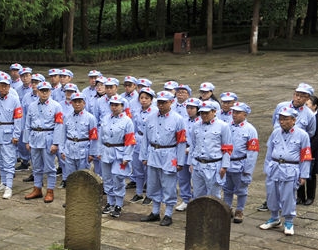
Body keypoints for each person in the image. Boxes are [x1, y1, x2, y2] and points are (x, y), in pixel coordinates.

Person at [259, 107, 312, 235]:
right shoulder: (276, 133)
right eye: (280, 119)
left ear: (294, 120)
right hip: (275, 167)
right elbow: (269, 152)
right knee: (272, 194)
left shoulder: (302, 135)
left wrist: (304, 175)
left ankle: (289, 221)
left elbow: (306, 156)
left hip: (290, 169)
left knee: (288, 196)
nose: (282, 122)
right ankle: (274, 218)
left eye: (286, 119)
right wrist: (267, 167)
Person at [139, 91, 188, 226]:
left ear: (171, 102)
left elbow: (181, 142)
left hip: (169, 153)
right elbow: (145, 139)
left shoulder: (178, 119)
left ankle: (168, 214)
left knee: (169, 185)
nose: (161, 105)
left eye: (164, 102)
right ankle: (155, 212)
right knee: (153, 184)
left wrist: (180, 160)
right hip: (153, 153)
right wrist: (144, 156)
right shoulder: (150, 117)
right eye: (159, 102)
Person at [24, 81, 64, 202]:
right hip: (35, 137)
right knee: (36, 166)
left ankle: (50, 190)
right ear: (38, 91)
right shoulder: (32, 106)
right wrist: (26, 140)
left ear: (50, 92)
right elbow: (27, 124)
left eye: (47, 90)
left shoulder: (56, 106)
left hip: (48, 137)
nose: (44, 93)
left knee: (50, 167)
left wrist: (56, 143)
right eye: (42, 90)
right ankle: (37, 188)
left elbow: (59, 125)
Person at [97, 95, 136, 218]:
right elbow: (100, 136)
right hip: (106, 151)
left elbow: (130, 140)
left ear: (122, 106)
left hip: (119, 152)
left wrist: (127, 156)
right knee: (107, 178)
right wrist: (99, 150)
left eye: (117, 105)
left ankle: (119, 203)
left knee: (118, 177)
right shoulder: (105, 118)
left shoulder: (127, 121)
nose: (114, 107)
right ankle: (110, 202)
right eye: (112, 105)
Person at [222, 102, 259, 223]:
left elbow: (253, 152)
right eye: (233, 112)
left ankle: (240, 210)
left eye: (238, 112)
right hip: (227, 163)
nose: (234, 115)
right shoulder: (226, 126)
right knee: (227, 189)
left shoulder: (250, 130)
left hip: (240, 163)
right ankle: (227, 208)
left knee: (241, 190)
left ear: (245, 114)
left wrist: (248, 169)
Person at [0, 74, 24, 199]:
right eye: (1, 85)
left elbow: (18, 119)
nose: (3, 88)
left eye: (6, 86)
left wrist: (16, 135)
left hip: (8, 132)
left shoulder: (14, 100)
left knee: (8, 160)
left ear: (9, 87)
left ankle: (9, 186)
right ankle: (3, 182)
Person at [189, 101, 232, 199]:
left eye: (206, 113)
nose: (204, 115)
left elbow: (227, 148)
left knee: (214, 196)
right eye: (201, 113)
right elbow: (193, 145)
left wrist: (224, 166)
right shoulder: (196, 125)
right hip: (198, 164)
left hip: (214, 165)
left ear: (214, 111)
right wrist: (191, 162)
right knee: (197, 194)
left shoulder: (223, 126)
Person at [60, 92, 98, 175]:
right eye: (75, 102)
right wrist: (62, 150)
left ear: (84, 103)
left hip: (83, 151)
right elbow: (63, 135)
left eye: (79, 102)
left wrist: (92, 153)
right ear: (71, 103)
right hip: (69, 150)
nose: (77, 104)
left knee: (83, 175)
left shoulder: (90, 118)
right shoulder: (67, 117)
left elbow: (93, 137)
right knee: (70, 176)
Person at [296, 95, 318, 205]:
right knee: (299, 172)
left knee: (310, 174)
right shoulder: (301, 115)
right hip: (300, 148)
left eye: (308, 104)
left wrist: (309, 149)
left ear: (314, 106)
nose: (305, 106)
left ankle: (310, 196)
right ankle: (300, 196)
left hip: (312, 150)